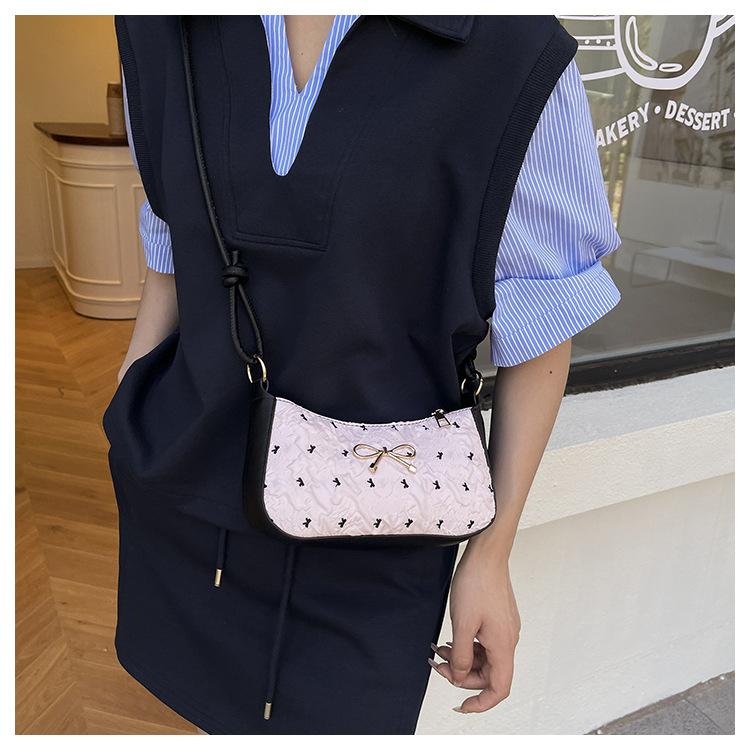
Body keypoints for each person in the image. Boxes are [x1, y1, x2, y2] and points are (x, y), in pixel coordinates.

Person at [105, 15, 621, 734]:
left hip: (377, 530)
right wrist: (125, 413)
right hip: (185, 494)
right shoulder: (161, 24)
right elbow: (171, 242)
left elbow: (539, 327)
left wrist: (490, 552)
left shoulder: (513, 48)